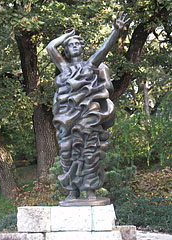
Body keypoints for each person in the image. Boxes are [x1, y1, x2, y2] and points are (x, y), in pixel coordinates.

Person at [47, 12, 129, 202]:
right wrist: (67, 35)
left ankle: (90, 191)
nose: (74, 46)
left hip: (87, 118)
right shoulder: (65, 69)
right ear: (65, 50)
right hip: (66, 120)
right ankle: (72, 191)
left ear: (82, 49)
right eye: (70, 45)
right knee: (67, 153)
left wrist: (116, 31)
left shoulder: (90, 65)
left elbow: (103, 49)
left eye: (77, 44)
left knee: (89, 152)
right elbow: (51, 47)